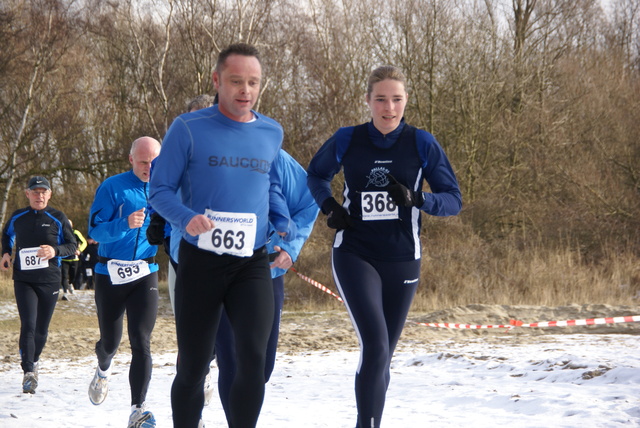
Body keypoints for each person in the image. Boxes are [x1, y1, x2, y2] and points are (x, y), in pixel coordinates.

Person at [149, 43, 296, 428]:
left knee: (254, 359)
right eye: (236, 81)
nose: (245, 90)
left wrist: (282, 221)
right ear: (217, 81)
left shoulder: (271, 132)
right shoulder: (188, 128)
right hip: (202, 263)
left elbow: (272, 185)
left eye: (253, 82)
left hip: (251, 263)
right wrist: (186, 218)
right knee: (194, 365)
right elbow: (159, 190)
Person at [306, 65, 462, 428]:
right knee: (375, 346)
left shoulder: (422, 142)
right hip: (355, 252)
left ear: (406, 101)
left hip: (403, 259)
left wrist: (418, 200)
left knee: (383, 356)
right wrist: (329, 207)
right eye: (380, 99)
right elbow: (315, 174)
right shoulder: (348, 138)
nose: (388, 108)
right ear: (368, 101)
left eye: (396, 99)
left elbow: (453, 200)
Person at [214, 148, 319, 421]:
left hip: (266, 270)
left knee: (262, 368)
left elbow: (309, 201)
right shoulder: (201, 151)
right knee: (231, 362)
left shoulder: (273, 156)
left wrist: (290, 247)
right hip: (216, 270)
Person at [87, 136, 161, 428]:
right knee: (110, 342)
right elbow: (95, 230)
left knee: (141, 341)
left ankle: (137, 409)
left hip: (146, 272)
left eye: (154, 162)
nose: (149, 168)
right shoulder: (112, 187)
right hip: (110, 273)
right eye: (143, 162)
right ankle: (103, 369)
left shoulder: (166, 188)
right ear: (131, 159)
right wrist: (124, 224)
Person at [1, 176, 77, 394]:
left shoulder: (57, 217)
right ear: (28, 194)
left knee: (41, 330)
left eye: (44, 192)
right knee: (29, 325)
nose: (39, 195)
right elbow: (6, 235)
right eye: (35, 192)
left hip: (49, 280)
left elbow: (73, 245)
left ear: (50, 194)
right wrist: (5, 253)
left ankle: (34, 362)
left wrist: (55, 251)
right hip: (24, 280)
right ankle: (27, 373)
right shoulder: (18, 216)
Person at [60, 219, 87, 300]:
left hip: (74, 258)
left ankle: (71, 284)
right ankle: (65, 293)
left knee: (73, 276)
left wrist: (79, 250)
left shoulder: (76, 233)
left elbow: (84, 242)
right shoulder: (60, 233)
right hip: (63, 258)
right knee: (64, 276)